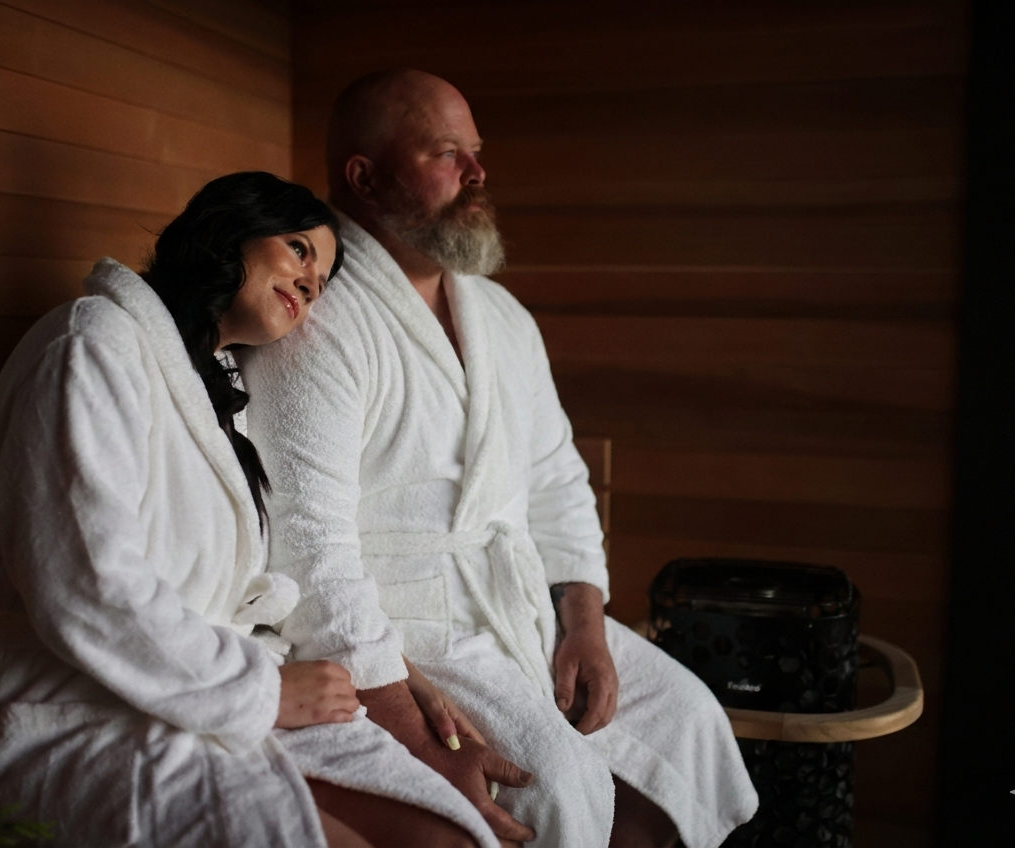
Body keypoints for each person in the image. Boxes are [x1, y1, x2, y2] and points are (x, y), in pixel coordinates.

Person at [238, 73, 760, 848]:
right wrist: (408, 725)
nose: (478, 174)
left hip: (525, 610)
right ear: (364, 177)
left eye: (475, 152)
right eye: (447, 153)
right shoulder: (320, 321)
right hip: (413, 633)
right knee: (557, 786)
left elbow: (556, 480)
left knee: (689, 720)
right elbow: (310, 544)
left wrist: (584, 623)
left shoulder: (501, 317)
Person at [0, 172, 504, 848]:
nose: (310, 282)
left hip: (205, 691)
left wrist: (401, 678)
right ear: (230, 228)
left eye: (321, 276)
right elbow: (86, 585)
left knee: (450, 837)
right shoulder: (91, 344)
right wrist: (263, 695)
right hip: (68, 708)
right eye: (298, 249)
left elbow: (265, 581)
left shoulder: (217, 387)